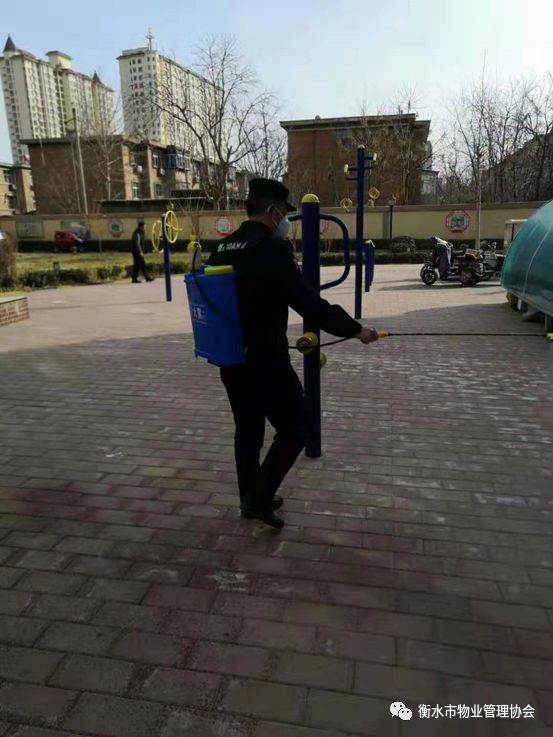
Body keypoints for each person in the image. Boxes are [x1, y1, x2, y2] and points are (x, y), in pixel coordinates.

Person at [208, 178, 379, 529]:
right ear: (273, 211)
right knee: (297, 427)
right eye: (283, 213)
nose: (284, 220)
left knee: (248, 431)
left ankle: (250, 496)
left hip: (230, 357)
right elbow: (308, 302)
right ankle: (258, 498)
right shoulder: (272, 249)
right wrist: (355, 329)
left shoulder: (222, 247)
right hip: (265, 361)